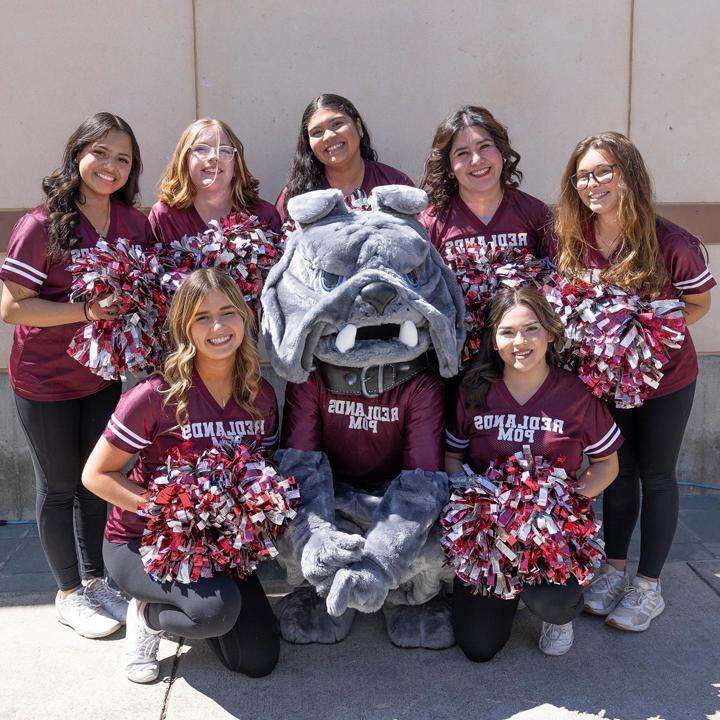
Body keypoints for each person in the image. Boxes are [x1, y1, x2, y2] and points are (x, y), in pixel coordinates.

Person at [82, 269, 280, 682]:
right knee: (214, 612)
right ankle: (148, 616)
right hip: (142, 542)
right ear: (184, 327)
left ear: (245, 317)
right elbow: (96, 475)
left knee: (258, 660)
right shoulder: (156, 395)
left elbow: (264, 470)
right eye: (202, 318)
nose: (218, 327)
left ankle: (194, 608)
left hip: (216, 547)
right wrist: (171, 511)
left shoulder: (259, 394)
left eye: (228, 313)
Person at [553, 131, 715, 632]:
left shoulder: (673, 244)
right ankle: (612, 569)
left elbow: (698, 305)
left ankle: (648, 587)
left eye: (603, 171)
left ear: (629, 174)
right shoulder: (575, 237)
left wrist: (641, 337)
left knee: (658, 475)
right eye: (582, 175)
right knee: (617, 471)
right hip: (607, 381)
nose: (591, 183)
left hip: (666, 379)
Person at [0, 112, 149, 638]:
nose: (110, 166)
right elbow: (12, 308)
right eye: (101, 153)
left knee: (96, 483)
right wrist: (87, 312)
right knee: (61, 486)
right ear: (78, 154)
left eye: (123, 158)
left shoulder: (133, 223)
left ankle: (96, 580)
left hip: (103, 377)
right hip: (44, 380)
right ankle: (67, 591)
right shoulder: (42, 224)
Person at [445, 287, 622, 660]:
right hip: (489, 536)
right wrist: (477, 506)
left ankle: (555, 613)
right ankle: (506, 590)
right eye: (507, 332)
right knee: (479, 647)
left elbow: (607, 465)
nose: (519, 342)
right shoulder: (475, 391)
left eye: (531, 330)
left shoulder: (575, 394)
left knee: (553, 601)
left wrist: (561, 509)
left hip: (550, 537)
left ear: (551, 334)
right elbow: (451, 458)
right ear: (493, 340)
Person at [419, 106, 551, 264]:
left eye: (485, 146)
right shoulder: (430, 223)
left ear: (501, 150)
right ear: (449, 167)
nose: (477, 160)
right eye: (462, 153)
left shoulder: (536, 213)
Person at [276, 93, 413, 218]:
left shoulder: (395, 183)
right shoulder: (295, 196)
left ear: (358, 127)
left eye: (337, 124)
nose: (329, 136)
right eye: (317, 132)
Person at [148, 118, 281, 247]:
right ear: (184, 161)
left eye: (224, 150)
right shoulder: (164, 216)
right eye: (201, 149)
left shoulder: (264, 216)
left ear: (236, 166)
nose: (213, 157)